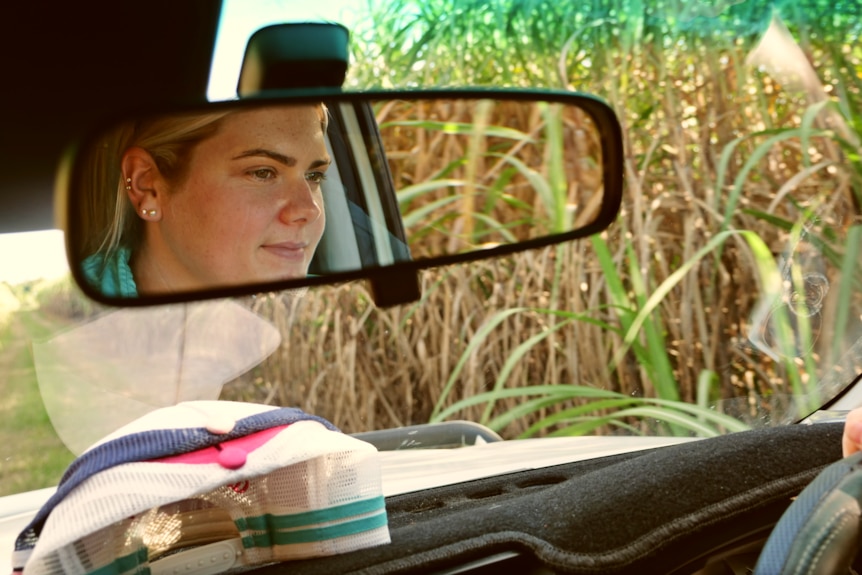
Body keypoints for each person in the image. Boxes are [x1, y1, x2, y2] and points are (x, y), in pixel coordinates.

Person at [78, 103, 330, 297]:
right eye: (262, 173)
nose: (309, 209)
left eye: (314, 176)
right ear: (148, 187)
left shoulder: (332, 305)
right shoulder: (61, 324)